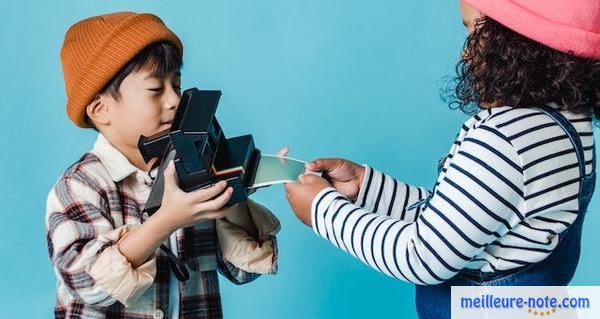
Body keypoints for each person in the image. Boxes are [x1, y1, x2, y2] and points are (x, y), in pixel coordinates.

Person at [284, 0, 600, 317]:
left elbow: (423, 257)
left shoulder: (504, 140)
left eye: (474, 34)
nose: (466, 53)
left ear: (516, 44)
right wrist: (367, 188)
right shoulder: (567, 123)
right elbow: (460, 220)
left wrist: (322, 210)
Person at [46, 12, 283, 318]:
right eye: (156, 90)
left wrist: (231, 189)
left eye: (177, 86)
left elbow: (243, 270)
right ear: (101, 109)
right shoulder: (79, 186)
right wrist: (167, 220)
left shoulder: (189, 168)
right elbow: (87, 284)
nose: (174, 100)